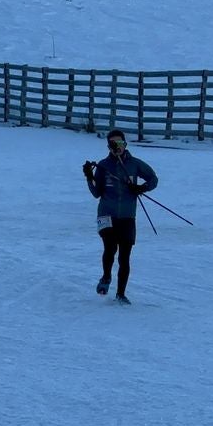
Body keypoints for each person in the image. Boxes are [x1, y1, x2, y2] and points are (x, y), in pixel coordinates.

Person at [82, 129, 158, 304]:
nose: (118, 147)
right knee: (110, 248)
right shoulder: (103, 165)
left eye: (120, 143)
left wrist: (141, 188)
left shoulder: (135, 164)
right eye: (113, 144)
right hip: (106, 214)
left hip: (127, 216)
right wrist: (89, 177)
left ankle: (121, 294)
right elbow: (96, 193)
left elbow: (153, 179)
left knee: (125, 256)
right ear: (108, 147)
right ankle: (106, 277)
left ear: (125, 144)